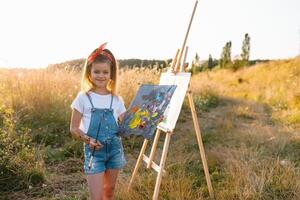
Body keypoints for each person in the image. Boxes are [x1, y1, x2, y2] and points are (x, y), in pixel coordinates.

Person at [70, 43, 126, 200]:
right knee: (97, 196)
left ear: (111, 74)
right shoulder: (83, 98)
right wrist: (88, 139)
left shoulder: (117, 100)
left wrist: (150, 118)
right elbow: (74, 128)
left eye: (105, 72)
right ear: (89, 73)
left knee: (109, 191)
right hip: (95, 152)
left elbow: (127, 124)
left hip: (115, 150)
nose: (101, 75)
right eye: (96, 71)